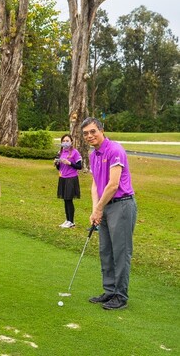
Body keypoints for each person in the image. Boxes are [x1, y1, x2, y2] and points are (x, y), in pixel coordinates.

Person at [81, 117, 137, 310]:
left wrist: (99, 208)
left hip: (121, 205)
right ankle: (109, 291)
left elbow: (113, 185)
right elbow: (96, 184)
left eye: (93, 131)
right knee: (106, 251)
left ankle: (120, 297)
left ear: (102, 130)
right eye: (86, 133)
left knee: (120, 253)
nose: (90, 136)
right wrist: (95, 209)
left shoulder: (115, 150)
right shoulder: (92, 154)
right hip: (105, 205)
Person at [54, 134, 82, 228]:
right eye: (64, 141)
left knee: (69, 199)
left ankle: (71, 221)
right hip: (63, 177)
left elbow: (79, 166)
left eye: (67, 141)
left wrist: (69, 163)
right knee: (65, 200)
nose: (65, 143)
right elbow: (59, 168)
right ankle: (67, 220)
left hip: (71, 178)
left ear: (71, 142)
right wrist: (57, 163)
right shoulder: (60, 152)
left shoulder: (75, 152)